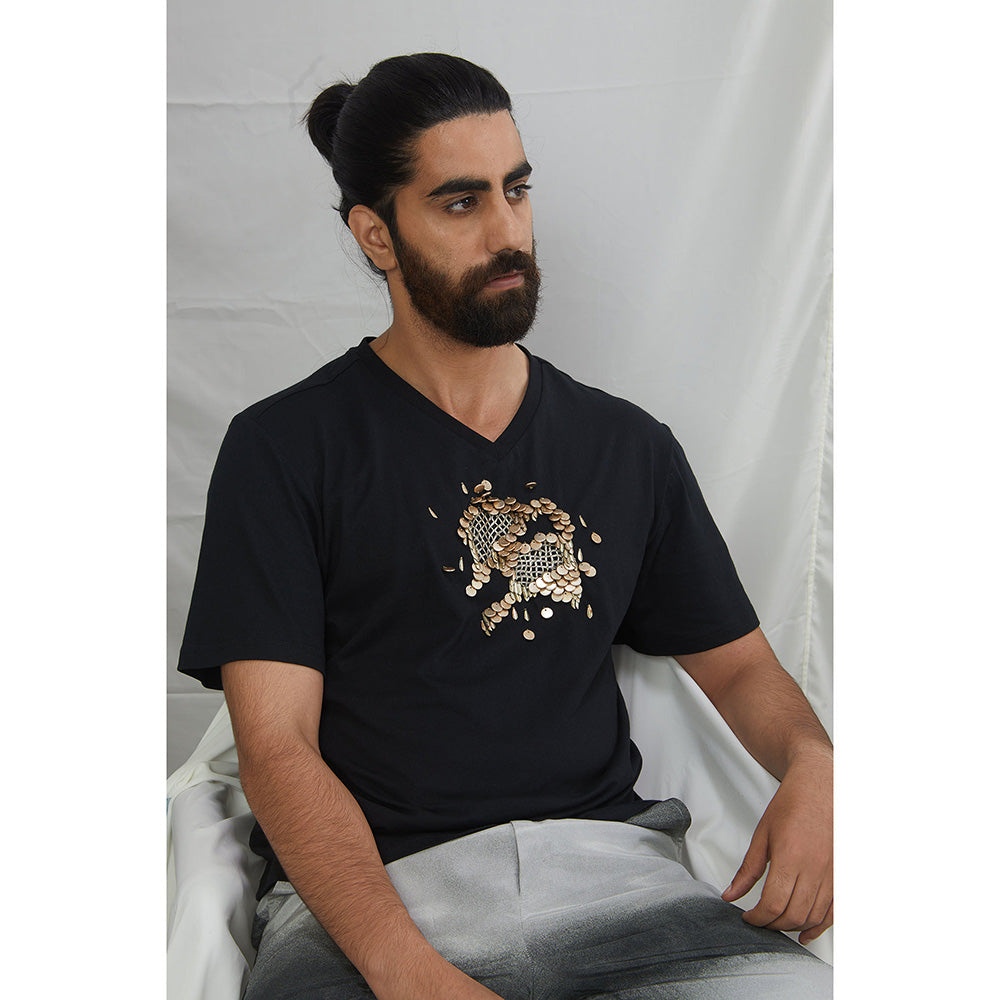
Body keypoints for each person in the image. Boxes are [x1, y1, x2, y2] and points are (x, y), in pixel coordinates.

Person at [178, 53, 833, 999]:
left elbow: (738, 668)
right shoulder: (284, 450)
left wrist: (815, 764)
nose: (507, 232)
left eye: (515, 190)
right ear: (376, 234)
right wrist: (405, 968)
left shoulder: (627, 446)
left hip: (617, 887)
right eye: (460, 202)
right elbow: (277, 746)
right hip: (373, 909)